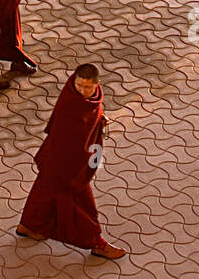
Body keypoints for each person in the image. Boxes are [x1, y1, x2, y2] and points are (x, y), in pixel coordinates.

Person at [16, 63, 126, 259]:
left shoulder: (91, 98)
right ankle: (95, 242)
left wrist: (100, 118)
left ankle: (29, 225)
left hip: (58, 161)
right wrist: (75, 172)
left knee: (44, 192)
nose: (82, 90)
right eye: (79, 85)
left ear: (97, 85)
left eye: (87, 87)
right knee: (81, 204)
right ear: (73, 80)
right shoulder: (71, 102)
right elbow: (67, 134)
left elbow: (89, 117)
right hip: (66, 163)